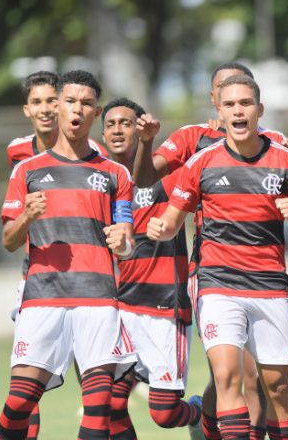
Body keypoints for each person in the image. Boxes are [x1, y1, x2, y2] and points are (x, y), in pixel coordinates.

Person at [133, 61, 288, 440]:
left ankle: (210, 426)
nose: (237, 108)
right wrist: (146, 144)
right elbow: (146, 179)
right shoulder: (193, 142)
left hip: (267, 279)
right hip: (213, 273)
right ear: (215, 102)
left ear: (258, 105)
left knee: (262, 381)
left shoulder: (276, 146)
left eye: (245, 99)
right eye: (227, 97)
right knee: (231, 374)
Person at [0, 70, 136, 440]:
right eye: (70, 101)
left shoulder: (115, 173)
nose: (77, 109)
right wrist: (27, 215)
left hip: (99, 300)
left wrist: (123, 240)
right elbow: (9, 240)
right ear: (57, 106)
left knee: (98, 409)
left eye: (87, 103)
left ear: (96, 112)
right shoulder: (26, 170)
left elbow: (126, 242)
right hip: (43, 298)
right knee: (20, 400)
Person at [100, 97, 203, 439]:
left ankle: (202, 413)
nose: (118, 129)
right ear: (102, 135)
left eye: (126, 123)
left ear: (142, 128)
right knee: (109, 404)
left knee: (164, 413)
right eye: (111, 124)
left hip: (163, 305)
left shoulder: (168, 178)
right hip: (119, 307)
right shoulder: (99, 181)